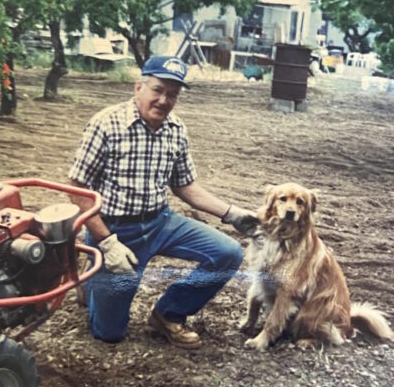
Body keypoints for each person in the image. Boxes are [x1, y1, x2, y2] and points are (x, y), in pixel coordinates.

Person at [67, 55, 258, 347]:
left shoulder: (176, 130)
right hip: (115, 230)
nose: (164, 100)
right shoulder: (105, 124)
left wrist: (231, 213)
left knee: (228, 253)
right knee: (109, 333)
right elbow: (77, 187)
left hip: (160, 222)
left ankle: (168, 313)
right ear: (138, 87)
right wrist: (106, 242)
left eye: (172, 94)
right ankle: (92, 274)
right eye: (157, 90)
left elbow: (185, 186)